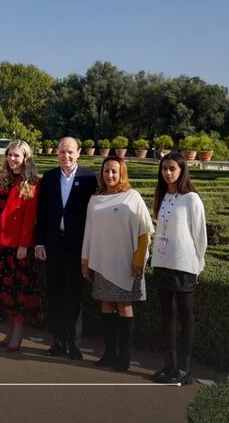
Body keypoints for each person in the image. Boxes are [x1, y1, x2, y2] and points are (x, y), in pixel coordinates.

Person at [81, 156, 153, 372]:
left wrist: (139, 260)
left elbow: (144, 231)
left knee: (124, 306)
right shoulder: (95, 199)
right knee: (106, 304)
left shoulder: (132, 197)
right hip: (102, 261)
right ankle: (109, 354)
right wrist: (85, 261)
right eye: (106, 171)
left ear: (122, 172)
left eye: (114, 171)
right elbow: (89, 233)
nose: (110, 175)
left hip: (127, 263)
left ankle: (125, 357)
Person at [34, 137, 98, 359]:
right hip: (52, 246)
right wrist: (39, 242)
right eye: (62, 152)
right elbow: (41, 212)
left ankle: (74, 344)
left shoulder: (90, 178)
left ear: (78, 153)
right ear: (57, 153)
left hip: (77, 247)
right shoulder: (50, 177)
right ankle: (58, 342)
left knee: (74, 296)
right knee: (55, 295)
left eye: (70, 152)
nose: (66, 156)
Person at [150, 152, 207, 385]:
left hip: (184, 265)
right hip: (163, 263)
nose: (168, 173)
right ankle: (169, 365)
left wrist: (198, 265)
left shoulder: (192, 198)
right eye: (164, 169)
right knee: (166, 316)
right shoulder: (162, 197)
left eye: (172, 168)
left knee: (185, 316)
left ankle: (184, 368)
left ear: (182, 170)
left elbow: (200, 235)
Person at [0, 140, 42, 351]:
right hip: (0, 245)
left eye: (17, 156)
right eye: (10, 155)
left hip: (18, 248)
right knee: (4, 292)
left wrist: (24, 245)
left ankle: (17, 335)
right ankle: (9, 332)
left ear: (25, 158)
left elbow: (30, 217)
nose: (12, 159)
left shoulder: (32, 182)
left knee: (18, 293)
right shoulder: (1, 179)